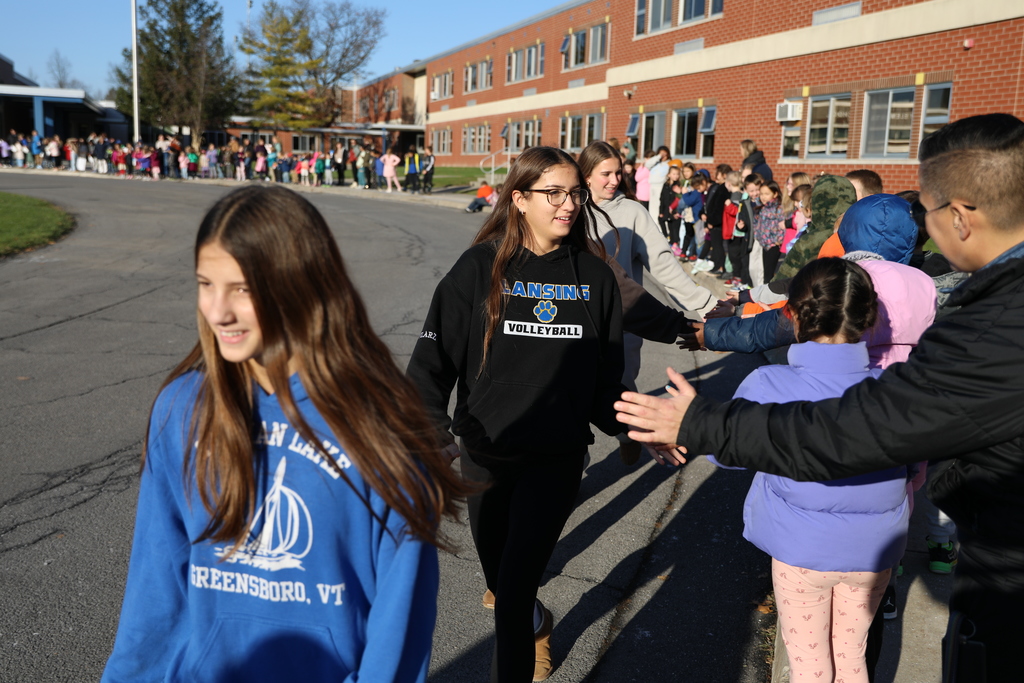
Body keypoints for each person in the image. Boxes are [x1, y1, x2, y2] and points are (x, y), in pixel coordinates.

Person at [614, 113, 1024, 683]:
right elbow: (908, 435)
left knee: (810, 662)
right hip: (887, 531)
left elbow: (855, 429)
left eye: (926, 212)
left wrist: (702, 421)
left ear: (959, 216)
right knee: (855, 653)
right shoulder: (947, 302)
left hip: (943, 572)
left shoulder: (993, 327)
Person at [101, 185, 469, 683]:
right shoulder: (183, 408)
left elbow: (399, 631)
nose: (217, 311)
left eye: (243, 288)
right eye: (206, 284)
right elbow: (155, 589)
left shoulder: (377, 425)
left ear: (300, 283)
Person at [407, 146, 627, 682]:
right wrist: (433, 433)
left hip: (555, 459)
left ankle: (518, 643)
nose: (569, 204)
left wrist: (646, 425)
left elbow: (605, 384)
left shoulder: (596, 279)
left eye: (575, 192)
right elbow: (429, 366)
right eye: (553, 193)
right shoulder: (478, 269)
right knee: (504, 583)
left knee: (512, 589)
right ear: (519, 199)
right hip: (484, 456)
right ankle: (537, 620)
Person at [709, 257, 910, 683]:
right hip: (875, 551)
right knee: (852, 655)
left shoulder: (769, 384)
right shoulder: (896, 391)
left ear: (794, 315)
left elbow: (724, 452)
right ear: (868, 316)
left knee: (809, 664)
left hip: (802, 552)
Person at [579, 140, 714, 464]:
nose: (614, 180)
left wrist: (707, 305)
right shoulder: (569, 211)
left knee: (619, 389)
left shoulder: (632, 212)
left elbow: (664, 266)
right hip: (576, 326)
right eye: (605, 174)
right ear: (585, 176)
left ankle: (627, 434)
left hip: (624, 325)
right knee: (573, 398)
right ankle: (573, 465)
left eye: (618, 172)